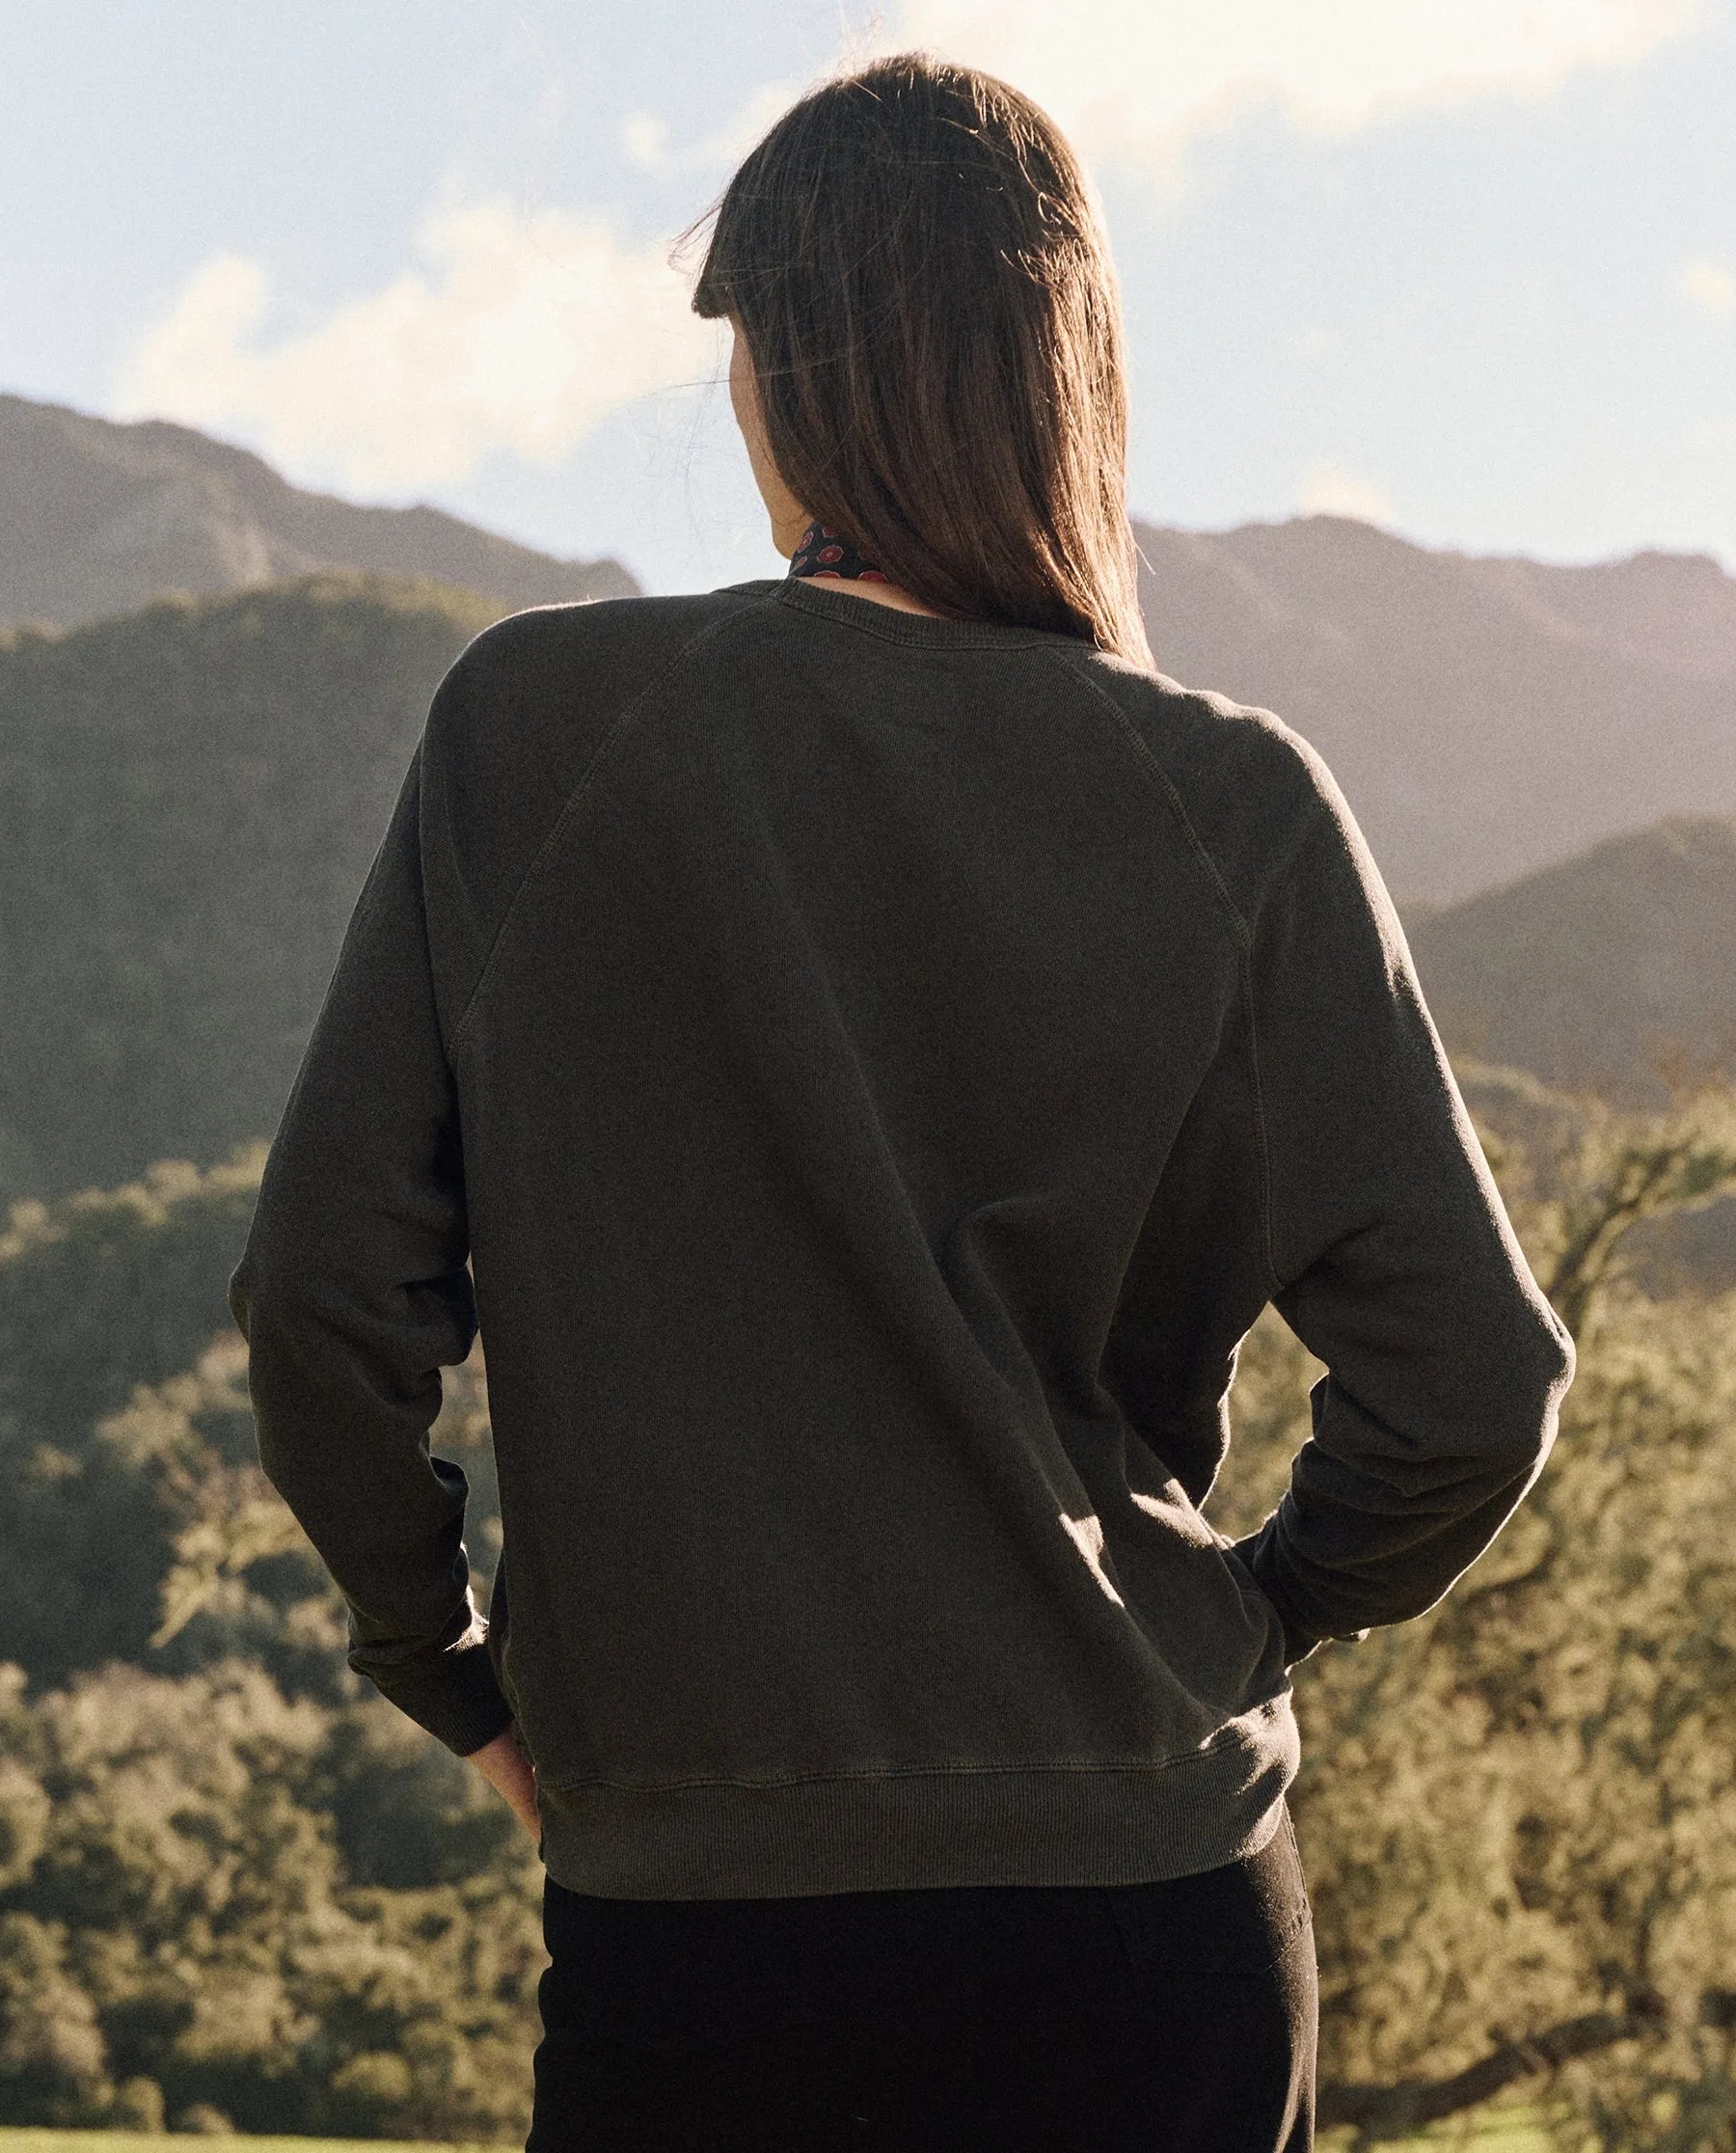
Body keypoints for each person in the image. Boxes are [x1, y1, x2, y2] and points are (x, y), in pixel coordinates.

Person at [228, 50, 1574, 2153]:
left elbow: (324, 1301)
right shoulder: (1237, 805)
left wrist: (455, 1668)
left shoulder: (539, 736)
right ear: (1067, 379)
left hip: (707, 1945)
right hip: (1162, 1929)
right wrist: (1243, 1619)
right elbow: (1475, 1386)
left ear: (794, 376)